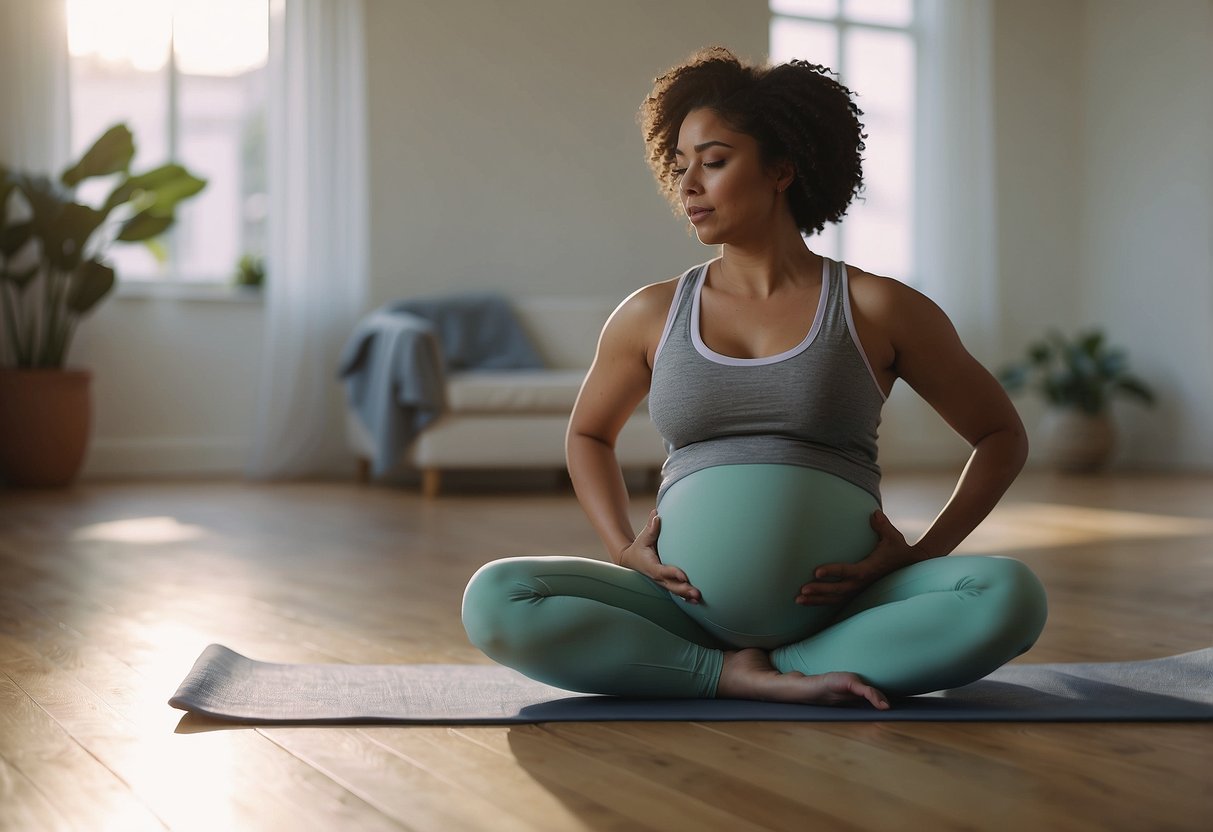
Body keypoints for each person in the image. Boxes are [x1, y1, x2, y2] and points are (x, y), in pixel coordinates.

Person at [461, 46, 1047, 708]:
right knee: (498, 597)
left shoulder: (876, 307)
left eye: (713, 162)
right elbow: (587, 435)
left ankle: (786, 664)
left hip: (843, 607)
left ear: (781, 170)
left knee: (1007, 596)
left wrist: (923, 554)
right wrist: (622, 547)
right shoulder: (649, 313)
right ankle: (726, 671)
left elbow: (998, 433)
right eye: (679, 167)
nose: (688, 186)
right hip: (682, 609)